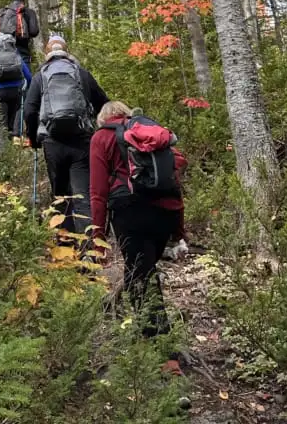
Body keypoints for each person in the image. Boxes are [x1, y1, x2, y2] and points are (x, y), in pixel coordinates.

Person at [90, 101, 187, 347]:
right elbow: (175, 174)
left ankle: (161, 349)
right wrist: (179, 231)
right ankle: (151, 337)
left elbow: (98, 192)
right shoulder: (150, 132)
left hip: (131, 211)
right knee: (143, 272)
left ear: (103, 118)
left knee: (140, 277)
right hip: (166, 212)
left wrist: (98, 238)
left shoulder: (101, 138)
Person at [24, 35, 108, 235]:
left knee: (60, 195)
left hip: (53, 142)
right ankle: (88, 251)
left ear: (47, 53)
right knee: (82, 196)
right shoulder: (81, 74)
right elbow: (104, 104)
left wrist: (34, 138)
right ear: (66, 51)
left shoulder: (40, 76)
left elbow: (29, 110)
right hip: (81, 141)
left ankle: (65, 246)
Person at [0, 0, 39, 66]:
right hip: (22, 48)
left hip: (3, 49)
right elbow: (34, 32)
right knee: (25, 73)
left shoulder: (4, 12)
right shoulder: (29, 12)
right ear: (24, 3)